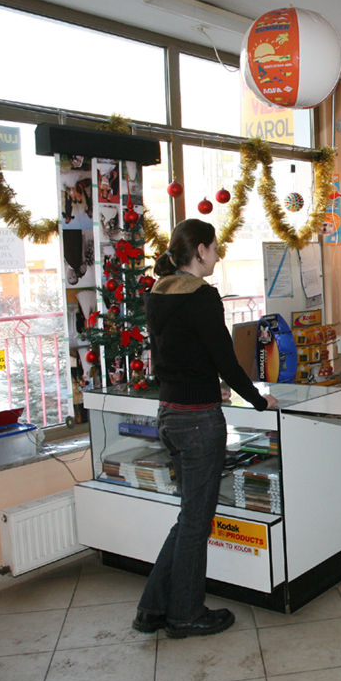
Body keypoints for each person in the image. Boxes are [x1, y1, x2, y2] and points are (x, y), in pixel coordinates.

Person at [133, 219, 278, 639]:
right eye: (214, 248)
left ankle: (152, 608)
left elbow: (180, 355)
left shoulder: (158, 293)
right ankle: (186, 615)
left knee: (189, 518)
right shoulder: (202, 296)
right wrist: (259, 400)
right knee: (197, 523)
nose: (218, 255)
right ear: (199, 251)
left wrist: (216, 385)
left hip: (170, 414)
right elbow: (224, 359)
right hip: (198, 419)